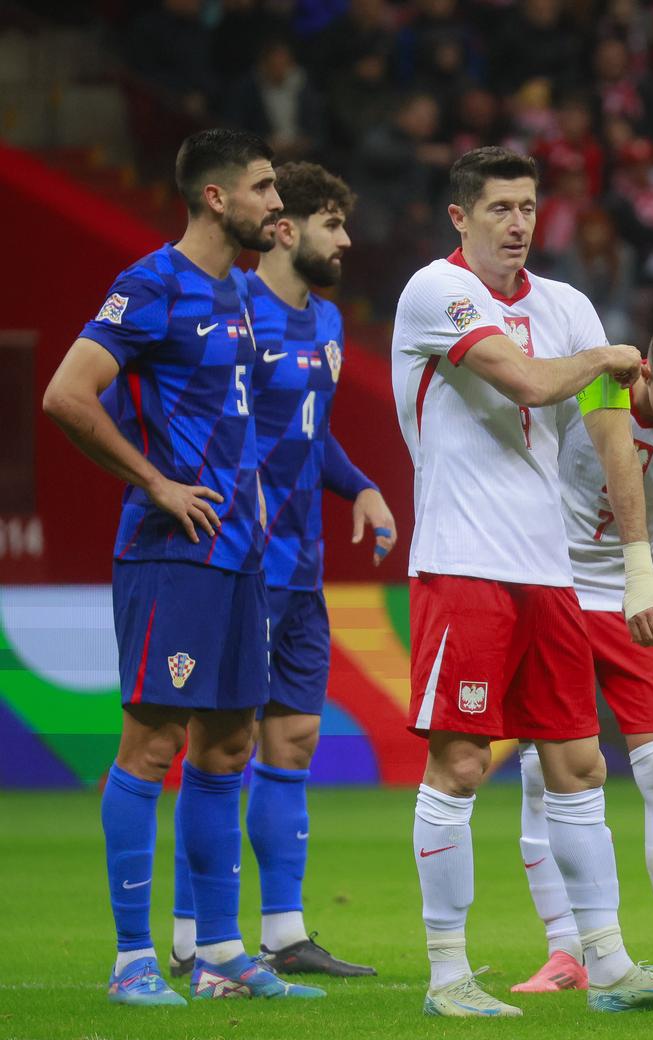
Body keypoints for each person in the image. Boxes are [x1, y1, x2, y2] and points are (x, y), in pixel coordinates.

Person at [390, 146, 653, 1017]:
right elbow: (533, 383)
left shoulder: (565, 302)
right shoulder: (437, 292)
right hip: (463, 562)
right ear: (460, 217)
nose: (518, 223)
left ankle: (608, 965)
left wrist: (643, 566)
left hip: (554, 576)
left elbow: (614, 432)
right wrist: (608, 356)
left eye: (529, 206)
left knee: (579, 766)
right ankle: (447, 972)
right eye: (499, 207)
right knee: (460, 764)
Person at [42, 128, 321, 1002]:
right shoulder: (149, 285)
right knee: (153, 742)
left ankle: (223, 955)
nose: (278, 203)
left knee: (229, 743)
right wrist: (157, 481)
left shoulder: (240, 291)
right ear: (216, 197)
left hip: (243, 554)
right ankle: (132, 960)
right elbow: (65, 393)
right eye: (266, 188)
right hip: (175, 554)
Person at [169, 162, 395, 980]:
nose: (346, 240)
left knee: (294, 735)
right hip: (236, 562)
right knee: (218, 743)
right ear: (289, 228)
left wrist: (361, 487)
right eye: (334, 224)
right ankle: (196, 929)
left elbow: (312, 433)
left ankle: (285, 930)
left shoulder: (329, 322)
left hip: (304, 565)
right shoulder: (235, 313)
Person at [515, 313, 653, 994]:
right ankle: (566, 951)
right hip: (555, 592)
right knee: (542, 774)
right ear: (646, 370)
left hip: (639, 605)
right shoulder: (587, 394)